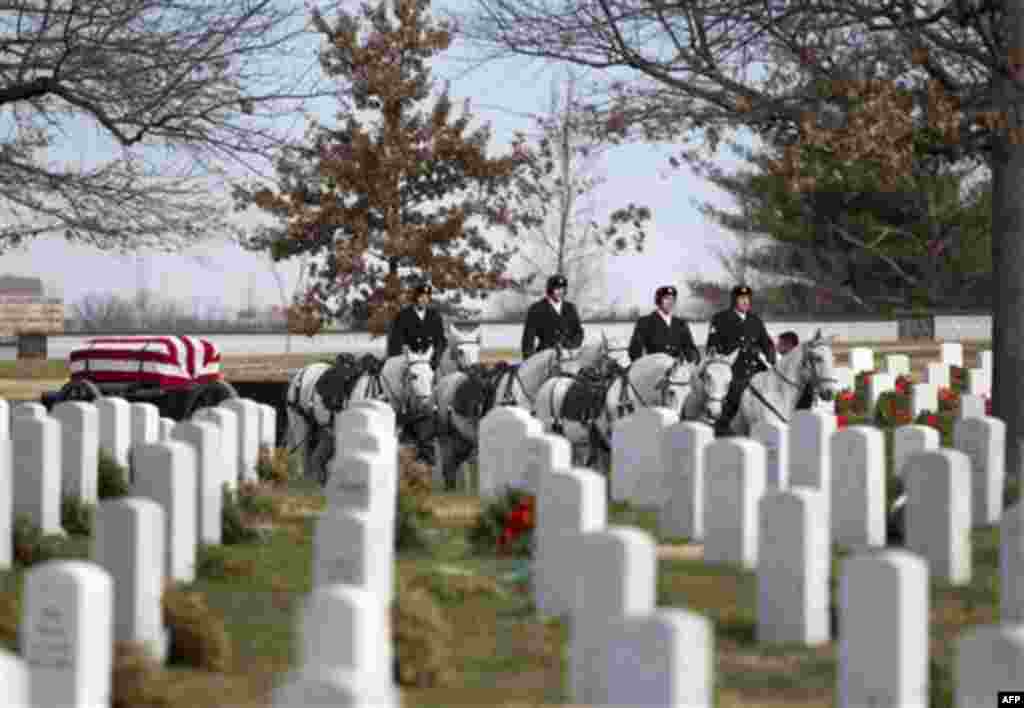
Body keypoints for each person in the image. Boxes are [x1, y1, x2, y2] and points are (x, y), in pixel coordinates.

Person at [706, 285, 776, 432]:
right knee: (733, 399)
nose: (745, 302)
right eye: (741, 299)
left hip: (755, 370)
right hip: (732, 371)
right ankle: (723, 429)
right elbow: (712, 346)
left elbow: (767, 342)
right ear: (734, 300)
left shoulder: (755, 320)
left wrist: (770, 356)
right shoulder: (720, 319)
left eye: (747, 299)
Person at [627, 285, 701, 363]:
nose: (670, 302)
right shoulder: (645, 322)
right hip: (655, 370)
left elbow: (689, 348)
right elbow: (635, 351)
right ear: (658, 300)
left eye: (673, 299)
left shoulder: (680, 323)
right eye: (666, 298)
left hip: (676, 370)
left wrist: (694, 359)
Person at [521, 273, 584, 359]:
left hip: (568, 356)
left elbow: (578, 332)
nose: (560, 292)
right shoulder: (536, 309)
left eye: (563, 289)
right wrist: (529, 360)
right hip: (545, 357)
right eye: (557, 289)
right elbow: (528, 339)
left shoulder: (570, 308)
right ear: (550, 290)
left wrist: (571, 345)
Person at [386, 281, 447, 369]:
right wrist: (404, 355)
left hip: (429, 360)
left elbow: (441, 339)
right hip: (409, 360)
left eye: (427, 297)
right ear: (415, 297)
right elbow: (395, 339)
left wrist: (436, 356)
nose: (424, 300)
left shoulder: (435, 316)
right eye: (421, 297)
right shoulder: (403, 315)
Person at [778, 331, 814, 409]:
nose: (777, 346)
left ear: (789, 345)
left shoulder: (800, 365)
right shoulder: (782, 363)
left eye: (780, 344)